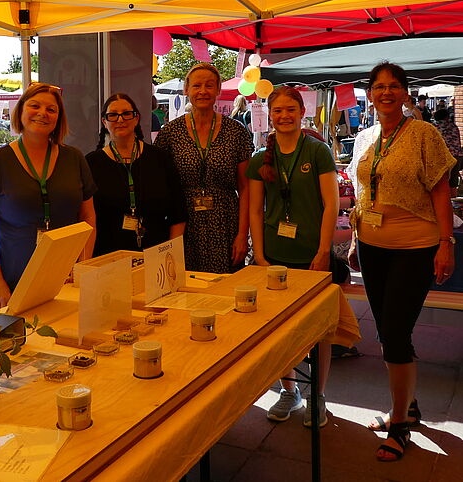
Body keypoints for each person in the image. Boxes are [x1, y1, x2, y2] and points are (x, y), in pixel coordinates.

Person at [347, 62, 455, 462]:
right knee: (388, 332)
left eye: (394, 86)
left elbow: (441, 191)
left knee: (394, 331)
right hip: (372, 246)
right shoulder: (365, 137)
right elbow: (363, 194)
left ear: (406, 92)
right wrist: (357, 238)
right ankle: (407, 406)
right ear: (370, 94)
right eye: (378, 87)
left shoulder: (425, 134)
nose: (386, 93)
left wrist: (446, 243)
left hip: (414, 247)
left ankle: (400, 424)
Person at [247, 86, 339, 428]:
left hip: (312, 256)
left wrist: (324, 251)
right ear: (269, 115)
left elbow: (331, 204)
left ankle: (319, 396)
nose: (284, 116)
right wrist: (259, 254)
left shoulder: (317, 151)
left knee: (321, 330)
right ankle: (290, 390)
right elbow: (256, 210)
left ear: (302, 111)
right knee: (279, 331)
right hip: (274, 257)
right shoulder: (261, 158)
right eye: (277, 110)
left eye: (290, 109)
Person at [0, 83, 96, 309]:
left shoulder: (74, 158)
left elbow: (88, 216)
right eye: (34, 106)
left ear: (58, 117)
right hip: (14, 280)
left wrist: (82, 266)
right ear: (20, 111)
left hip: (65, 278)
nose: (42, 113)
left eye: (51, 109)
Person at [155, 63, 253, 273]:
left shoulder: (236, 132)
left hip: (225, 223)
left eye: (209, 86)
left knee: (224, 290)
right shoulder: (170, 133)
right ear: (186, 90)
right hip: (182, 222)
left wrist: (242, 235)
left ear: (218, 90)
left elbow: (245, 189)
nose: (203, 91)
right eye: (197, 85)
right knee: (183, 286)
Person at [86, 93, 186, 255]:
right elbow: (86, 218)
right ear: (104, 122)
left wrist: (171, 253)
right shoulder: (92, 163)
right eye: (113, 115)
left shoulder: (160, 159)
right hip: (107, 258)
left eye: (126, 113)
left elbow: (178, 212)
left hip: (155, 256)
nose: (120, 119)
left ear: (136, 118)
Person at [433, 107, 462, 195]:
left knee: (441, 181)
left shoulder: (434, 127)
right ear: (446, 117)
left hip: (441, 156)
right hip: (456, 155)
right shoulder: (453, 126)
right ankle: (453, 202)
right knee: (453, 179)